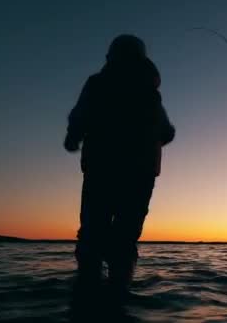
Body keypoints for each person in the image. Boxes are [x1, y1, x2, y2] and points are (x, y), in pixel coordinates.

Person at [64, 34, 175, 293]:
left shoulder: (97, 84)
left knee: (92, 231)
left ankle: (88, 291)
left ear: (110, 57)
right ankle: (119, 291)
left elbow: (80, 116)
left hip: (101, 170)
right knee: (125, 236)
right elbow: (167, 132)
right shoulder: (151, 95)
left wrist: (73, 137)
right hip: (141, 175)